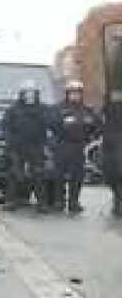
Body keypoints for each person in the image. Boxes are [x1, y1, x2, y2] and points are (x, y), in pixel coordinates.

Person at [49, 81, 101, 214]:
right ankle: (59, 201)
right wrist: (63, 125)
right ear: (67, 93)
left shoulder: (86, 110)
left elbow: (96, 125)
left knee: (77, 176)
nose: (75, 96)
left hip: (78, 147)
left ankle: (74, 202)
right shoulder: (58, 108)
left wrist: (90, 137)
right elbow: (52, 124)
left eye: (77, 93)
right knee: (59, 176)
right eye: (72, 93)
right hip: (61, 145)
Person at [0, 81, 50, 211]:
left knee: (38, 174)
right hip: (17, 146)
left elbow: (51, 126)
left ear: (36, 94)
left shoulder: (43, 109)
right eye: (27, 93)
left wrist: (47, 143)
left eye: (32, 93)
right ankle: (11, 201)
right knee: (14, 174)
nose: (30, 96)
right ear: (22, 94)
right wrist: (10, 142)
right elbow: (5, 126)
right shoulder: (13, 109)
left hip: (37, 146)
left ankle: (42, 203)